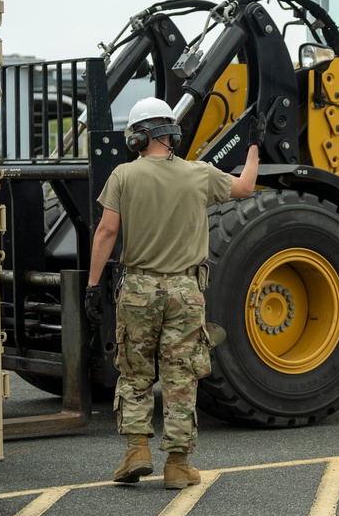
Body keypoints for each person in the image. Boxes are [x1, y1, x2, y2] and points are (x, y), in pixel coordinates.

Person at [84, 97, 263, 490]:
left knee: (134, 372)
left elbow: (106, 232)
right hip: (185, 290)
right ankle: (178, 467)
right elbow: (246, 187)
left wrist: (93, 285)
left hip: (138, 289)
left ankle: (136, 452)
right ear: (172, 133)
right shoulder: (199, 174)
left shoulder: (123, 176)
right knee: (181, 377)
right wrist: (252, 147)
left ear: (138, 137)